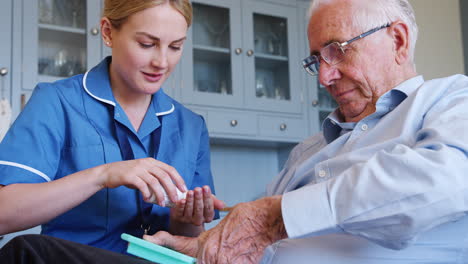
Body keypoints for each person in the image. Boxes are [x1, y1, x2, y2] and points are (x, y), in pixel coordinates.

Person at [2, 0, 468, 263]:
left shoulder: (450, 103)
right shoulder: (309, 151)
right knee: (29, 253)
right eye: (316, 60)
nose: (324, 78)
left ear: (399, 40)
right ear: (107, 32)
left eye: (338, 52)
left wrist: (251, 220)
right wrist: (204, 237)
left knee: (27, 256)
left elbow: (443, 182)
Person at [0, 0, 223, 256]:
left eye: (175, 47)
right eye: (147, 44)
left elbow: (186, 241)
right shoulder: (56, 102)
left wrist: (187, 218)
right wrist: (103, 175)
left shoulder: (192, 126)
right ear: (107, 32)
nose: (162, 62)